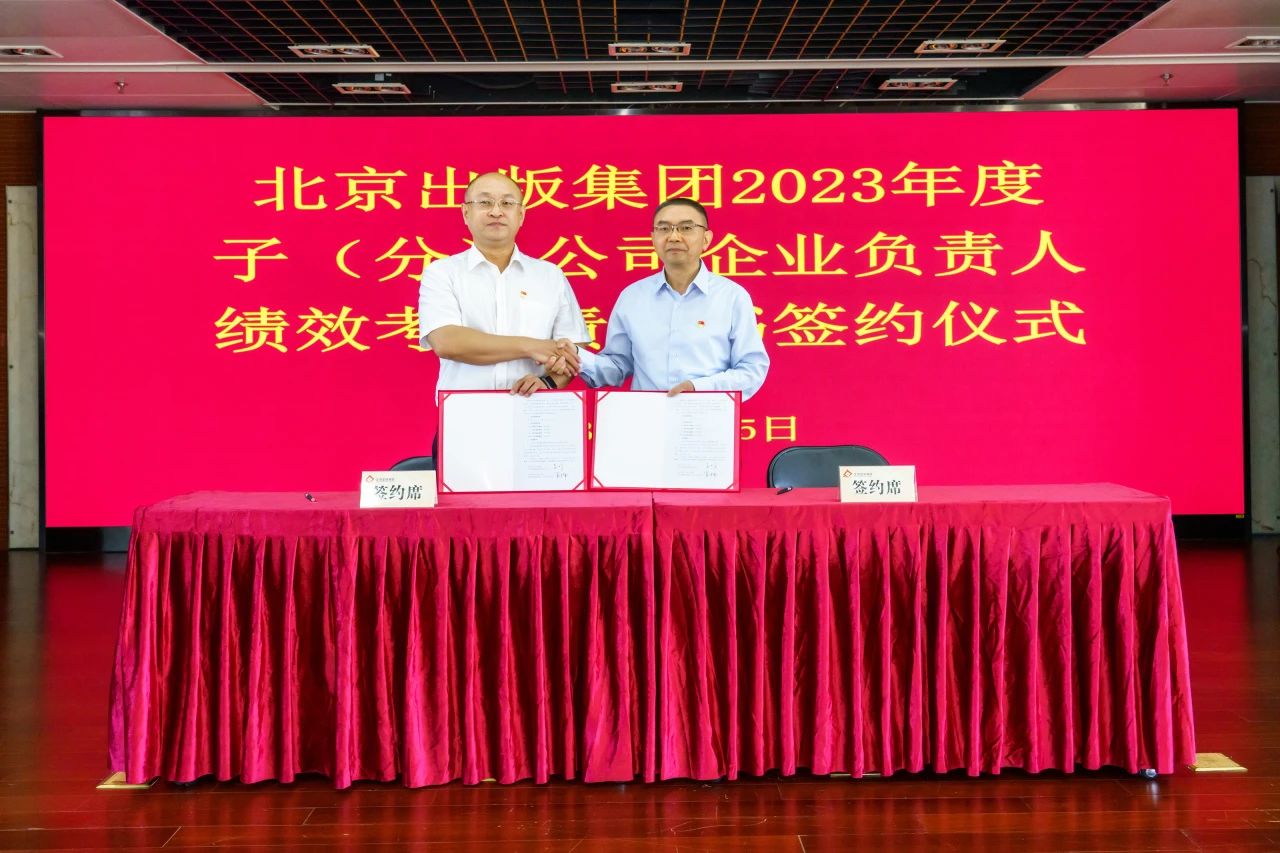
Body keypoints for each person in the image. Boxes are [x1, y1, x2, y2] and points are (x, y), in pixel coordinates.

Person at [562, 197, 769, 399]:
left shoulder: (732, 297)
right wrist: (576, 356)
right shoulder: (633, 297)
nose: (674, 236)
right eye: (664, 228)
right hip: (647, 417)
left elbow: (752, 369)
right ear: (653, 238)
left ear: (706, 239)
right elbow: (617, 367)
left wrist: (698, 388)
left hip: (707, 414)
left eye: (686, 228)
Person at [418, 171, 587, 397]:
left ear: (521, 215)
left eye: (507, 203)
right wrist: (531, 346)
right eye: (485, 202)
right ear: (466, 213)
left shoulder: (550, 275)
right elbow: (447, 342)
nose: (496, 211)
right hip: (464, 412)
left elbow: (574, 349)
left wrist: (548, 381)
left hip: (532, 408)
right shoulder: (442, 272)